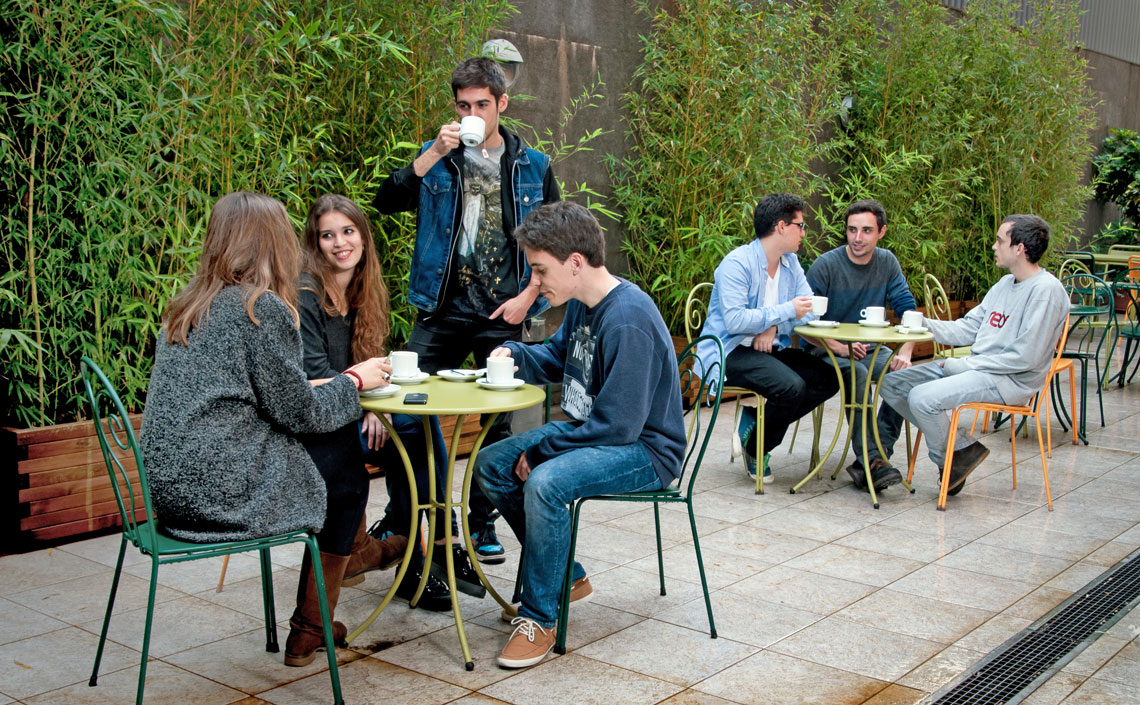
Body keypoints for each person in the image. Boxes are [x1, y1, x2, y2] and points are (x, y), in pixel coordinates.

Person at [139, 191, 404, 668]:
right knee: (344, 476)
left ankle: (351, 567)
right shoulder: (262, 310)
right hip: (223, 494)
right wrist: (354, 380)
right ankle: (311, 626)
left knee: (336, 461)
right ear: (274, 242)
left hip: (170, 494)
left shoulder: (186, 306)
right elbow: (302, 413)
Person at [473, 201, 685, 669]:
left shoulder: (627, 317)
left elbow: (618, 426)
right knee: (491, 465)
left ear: (574, 263)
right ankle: (564, 573)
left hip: (645, 450)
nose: (536, 282)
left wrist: (545, 449)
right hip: (599, 434)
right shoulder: (582, 306)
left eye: (540, 270)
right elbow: (554, 357)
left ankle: (540, 618)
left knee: (545, 483)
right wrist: (513, 353)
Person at [374, 56, 560, 564]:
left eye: (482, 104)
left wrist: (529, 296)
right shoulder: (441, 157)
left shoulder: (534, 166)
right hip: (442, 307)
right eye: (463, 105)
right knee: (403, 407)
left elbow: (557, 241)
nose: (472, 112)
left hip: (504, 309)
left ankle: (479, 522)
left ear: (502, 104)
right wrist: (434, 151)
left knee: (499, 422)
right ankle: (411, 516)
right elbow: (385, 200)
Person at [298, 194, 474, 614]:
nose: (340, 243)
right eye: (327, 235)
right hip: (317, 428)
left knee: (418, 429)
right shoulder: (307, 294)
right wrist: (369, 407)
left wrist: (376, 407)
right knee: (413, 433)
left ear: (362, 236)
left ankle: (412, 547)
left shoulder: (362, 290)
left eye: (348, 231)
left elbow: (366, 363)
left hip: (350, 412)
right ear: (314, 243)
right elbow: (316, 381)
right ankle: (434, 547)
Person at [879, 214, 1069, 496]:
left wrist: (965, 365)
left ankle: (949, 460)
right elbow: (967, 329)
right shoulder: (1004, 285)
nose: (994, 246)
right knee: (891, 382)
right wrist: (920, 323)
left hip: (1010, 381)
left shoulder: (1046, 291)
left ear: (1020, 248)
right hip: (977, 370)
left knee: (921, 398)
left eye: (1000, 240)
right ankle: (960, 450)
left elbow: (1025, 357)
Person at [697, 193, 839, 479]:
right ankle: (757, 446)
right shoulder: (737, 264)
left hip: (769, 347)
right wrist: (784, 312)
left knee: (829, 378)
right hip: (730, 352)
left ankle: (755, 426)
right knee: (792, 386)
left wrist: (773, 326)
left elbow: (810, 311)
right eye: (801, 225)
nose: (803, 233)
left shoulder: (791, 263)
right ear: (782, 226)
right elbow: (735, 321)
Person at [805, 199, 917, 492]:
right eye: (852, 230)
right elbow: (802, 322)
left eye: (866, 230)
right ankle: (870, 459)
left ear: (881, 232)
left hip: (871, 349)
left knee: (903, 377)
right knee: (859, 374)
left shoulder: (887, 261)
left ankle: (875, 457)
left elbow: (907, 308)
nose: (857, 238)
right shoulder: (826, 265)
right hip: (826, 351)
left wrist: (905, 351)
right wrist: (839, 346)